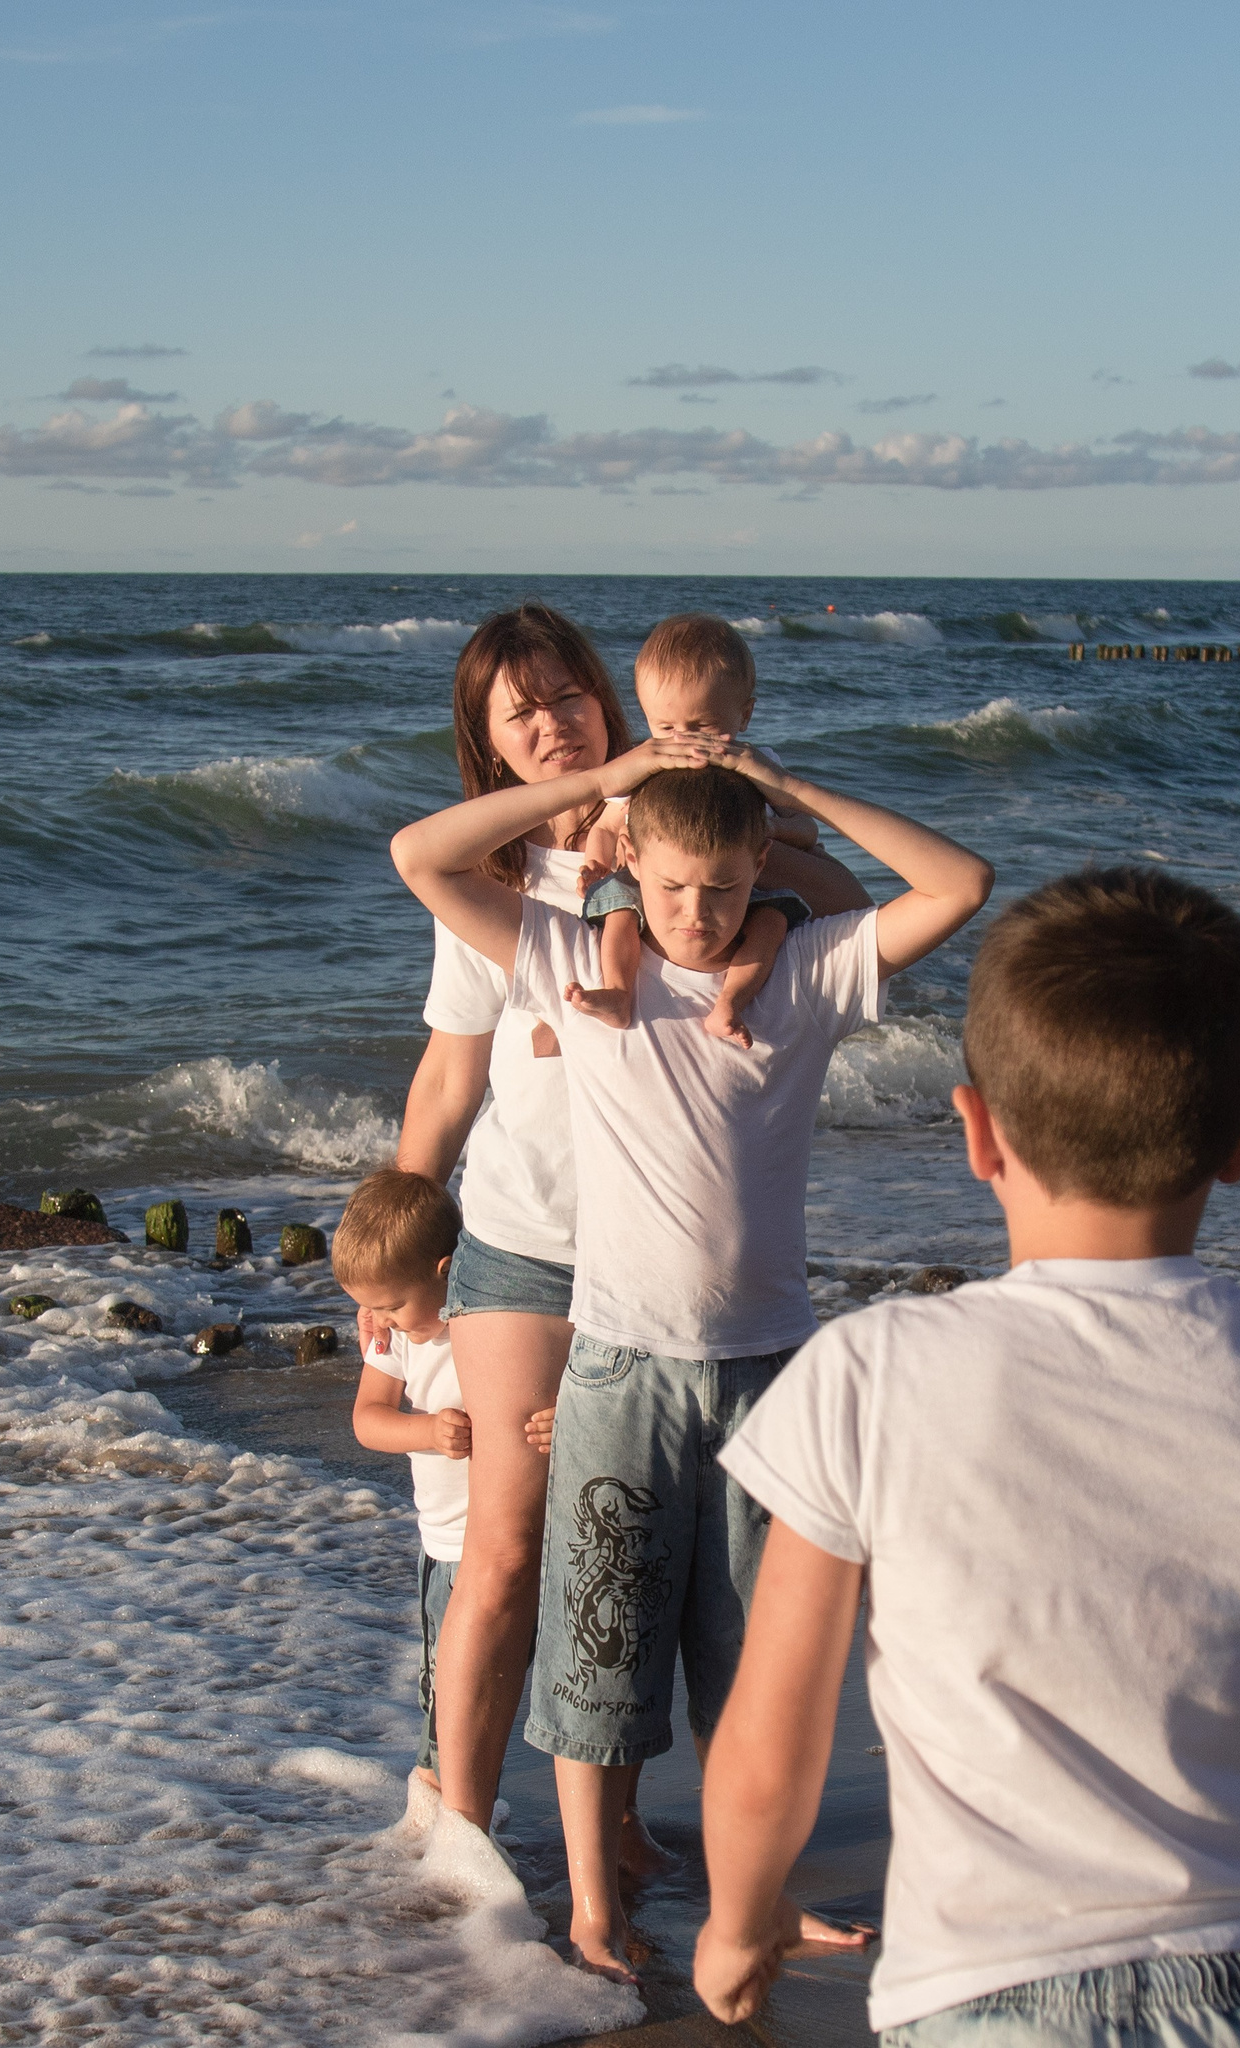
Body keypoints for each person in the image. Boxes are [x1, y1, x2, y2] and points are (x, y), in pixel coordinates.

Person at [689, 869, 1240, 2044]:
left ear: (975, 1130)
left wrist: (738, 1915)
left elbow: (776, 1722)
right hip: (1239, 1988)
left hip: (977, 1988)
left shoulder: (867, 1371)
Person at [391, 742, 993, 1982]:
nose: (697, 914)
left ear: (755, 874)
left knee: (755, 1661)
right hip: (616, 1369)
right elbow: (421, 854)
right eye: (671, 889)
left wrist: (796, 795)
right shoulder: (574, 963)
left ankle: (752, 1901)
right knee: (598, 1651)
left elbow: (960, 882)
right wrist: (595, 786)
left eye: (723, 888)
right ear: (631, 876)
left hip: (771, 1372)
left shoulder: (808, 972)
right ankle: (597, 1914)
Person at [395, 603, 869, 1842]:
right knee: (505, 1539)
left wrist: (741, 822)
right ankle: (461, 1826)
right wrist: (396, 1248)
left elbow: (843, 903)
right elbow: (449, 1080)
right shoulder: (510, 884)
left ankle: (632, 1840)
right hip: (527, 1240)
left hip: (662, 1273)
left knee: (649, 1559)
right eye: (521, 711)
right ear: (488, 742)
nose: (551, 722)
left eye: (568, 695)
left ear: (611, 697)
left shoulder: (691, 847)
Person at [571, 613, 820, 1049]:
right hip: (650, 885)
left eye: (702, 727)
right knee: (619, 912)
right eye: (666, 727)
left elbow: (807, 828)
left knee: (774, 920)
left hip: (736, 885)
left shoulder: (759, 766)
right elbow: (607, 825)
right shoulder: (645, 763)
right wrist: (596, 862)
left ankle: (731, 1002)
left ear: (744, 714)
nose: (682, 741)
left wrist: (772, 828)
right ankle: (617, 990)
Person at [335, 1167, 469, 1789]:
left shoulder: (487, 1326)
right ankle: (439, 1803)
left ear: (444, 1271)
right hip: (446, 1549)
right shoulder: (396, 1339)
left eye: (389, 1304)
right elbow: (368, 1420)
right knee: (446, 1695)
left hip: (526, 1538)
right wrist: (428, 1431)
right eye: (367, 1307)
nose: (378, 1319)